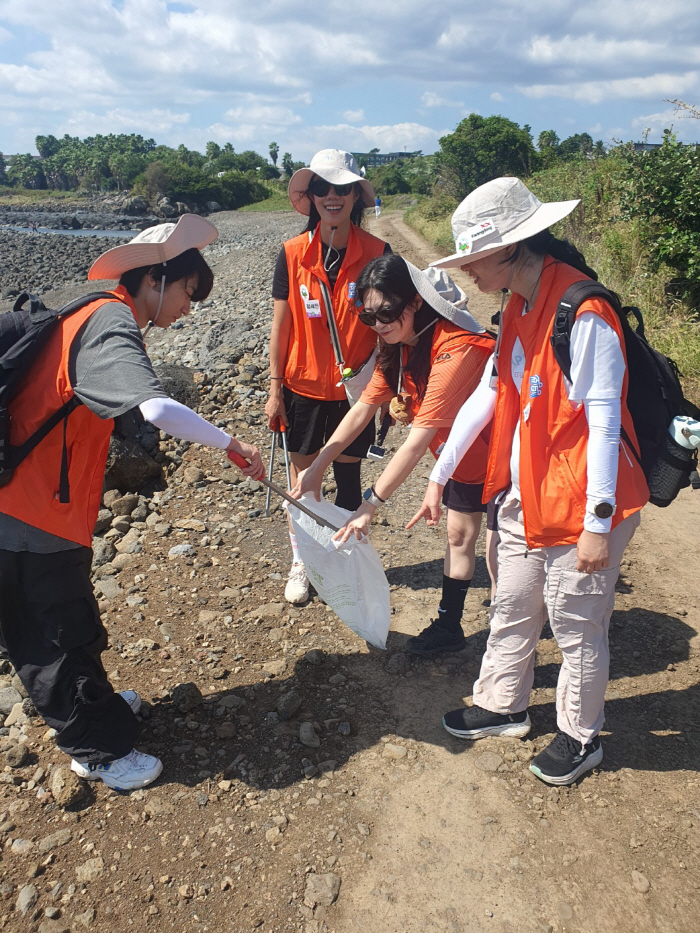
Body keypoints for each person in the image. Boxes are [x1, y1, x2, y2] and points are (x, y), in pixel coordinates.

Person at [0, 215, 263, 792]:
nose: (189, 311)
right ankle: (94, 750)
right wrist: (232, 444)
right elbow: (155, 409)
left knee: (75, 620)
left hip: (49, 507)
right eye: (189, 294)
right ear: (155, 279)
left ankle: (94, 707)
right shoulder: (112, 320)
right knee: (53, 638)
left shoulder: (98, 311)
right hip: (27, 512)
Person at [409, 177, 649, 785]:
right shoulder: (515, 306)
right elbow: (489, 395)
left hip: (579, 504)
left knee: (576, 623)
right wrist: (439, 475)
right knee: (513, 603)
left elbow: (603, 424)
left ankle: (579, 734)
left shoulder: (584, 310)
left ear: (508, 249)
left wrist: (597, 525)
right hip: (527, 497)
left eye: (472, 258)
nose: (467, 272)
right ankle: (501, 704)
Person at [291, 253, 495, 655]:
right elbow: (362, 409)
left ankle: (516, 620)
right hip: (460, 460)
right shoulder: (400, 346)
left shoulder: (457, 348)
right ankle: (451, 626)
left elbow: (416, 441)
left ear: (416, 302)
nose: (379, 324)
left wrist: (370, 504)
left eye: (388, 312)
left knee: (503, 549)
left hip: (505, 461)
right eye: (369, 317)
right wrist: (316, 466)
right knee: (459, 533)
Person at [266, 148, 391, 604]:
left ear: (356, 195)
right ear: (311, 196)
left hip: (355, 392)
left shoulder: (378, 253)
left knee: (349, 478)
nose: (332, 196)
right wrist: (274, 388)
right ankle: (304, 561)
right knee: (304, 484)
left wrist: (391, 390)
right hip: (301, 388)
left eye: (342, 188)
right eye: (323, 187)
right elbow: (281, 327)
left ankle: (344, 559)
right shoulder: (293, 253)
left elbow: (392, 329)